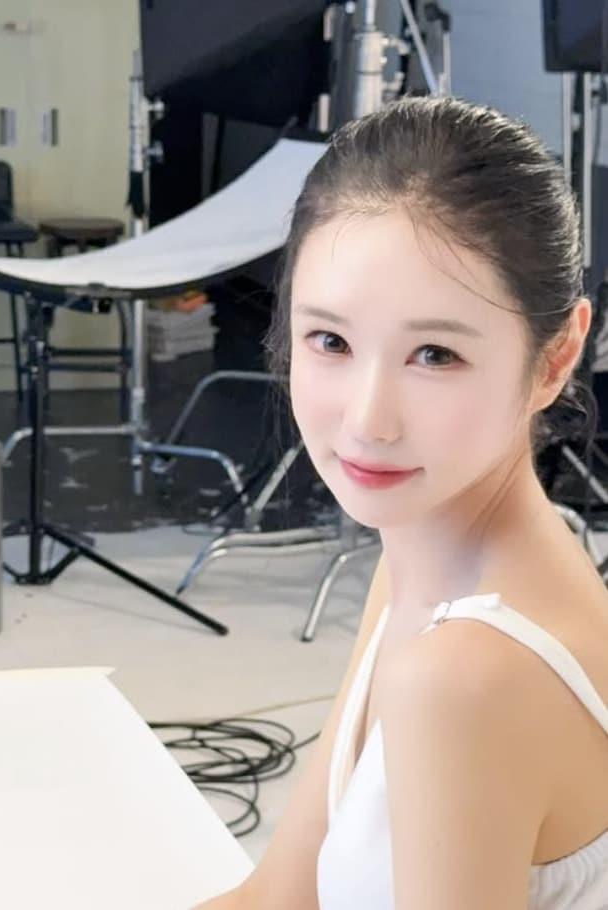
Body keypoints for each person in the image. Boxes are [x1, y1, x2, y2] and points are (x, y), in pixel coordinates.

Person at [195, 94, 608, 909]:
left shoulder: (466, 675)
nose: (367, 421)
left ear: (554, 357)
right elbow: (278, 897)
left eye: (434, 354)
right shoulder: (423, 568)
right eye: (331, 341)